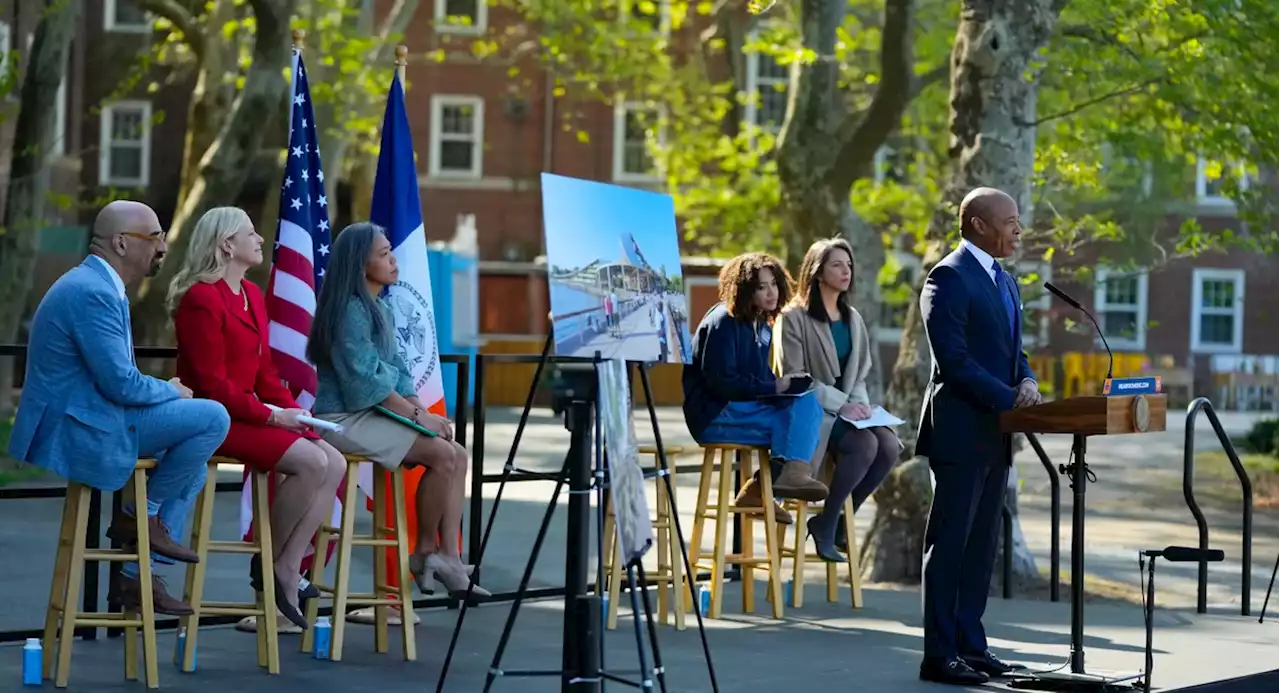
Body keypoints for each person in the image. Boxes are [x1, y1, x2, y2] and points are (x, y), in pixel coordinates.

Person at [9, 200, 230, 616]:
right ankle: (140, 517)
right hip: (82, 426)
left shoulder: (99, 286)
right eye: (156, 237)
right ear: (122, 243)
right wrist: (171, 389)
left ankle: (137, 575)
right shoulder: (92, 292)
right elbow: (121, 383)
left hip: (98, 413)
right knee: (213, 416)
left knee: (193, 467)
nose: (164, 246)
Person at [168, 206, 347, 629]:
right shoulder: (201, 298)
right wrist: (272, 418)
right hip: (214, 418)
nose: (261, 239)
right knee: (311, 462)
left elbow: (266, 373)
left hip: (251, 414)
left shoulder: (251, 295)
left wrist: (293, 411)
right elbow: (212, 386)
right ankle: (276, 565)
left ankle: (285, 565)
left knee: (333, 462)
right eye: (251, 232)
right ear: (227, 244)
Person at [308, 222, 489, 598]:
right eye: (384, 253)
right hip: (340, 419)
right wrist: (419, 419)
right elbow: (365, 382)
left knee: (456, 452)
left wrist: (424, 412)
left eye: (391, 251)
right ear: (361, 264)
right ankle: (427, 553)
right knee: (442, 454)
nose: (393, 260)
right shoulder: (348, 310)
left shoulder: (378, 309)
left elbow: (401, 373)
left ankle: (446, 556)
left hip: (368, 413)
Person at [917, 187, 1042, 685]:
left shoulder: (1006, 282)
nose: (1018, 229)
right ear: (976, 224)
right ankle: (939, 656)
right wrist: (1008, 395)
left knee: (982, 545)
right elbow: (955, 362)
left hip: (996, 433)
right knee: (950, 545)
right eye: (1009, 221)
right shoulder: (947, 277)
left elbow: (1013, 352)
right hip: (959, 432)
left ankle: (973, 646)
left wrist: (1027, 379)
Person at [773, 238, 899, 562]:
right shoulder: (793, 318)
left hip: (847, 408)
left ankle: (837, 520)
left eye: (849, 265)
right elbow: (795, 377)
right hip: (812, 410)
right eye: (837, 265)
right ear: (817, 273)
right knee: (865, 445)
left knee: (889, 445)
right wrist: (842, 405)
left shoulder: (853, 318)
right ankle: (829, 523)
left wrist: (862, 407)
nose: (846, 271)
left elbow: (858, 374)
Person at [682, 252, 828, 522]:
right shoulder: (723, 322)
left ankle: (764, 489)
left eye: (773, 284)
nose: (771, 292)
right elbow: (723, 383)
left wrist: (785, 389)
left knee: (807, 406)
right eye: (762, 287)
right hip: (715, 415)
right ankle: (781, 483)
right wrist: (774, 386)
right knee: (796, 422)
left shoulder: (760, 323)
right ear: (745, 288)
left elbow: (759, 381)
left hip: (740, 408)